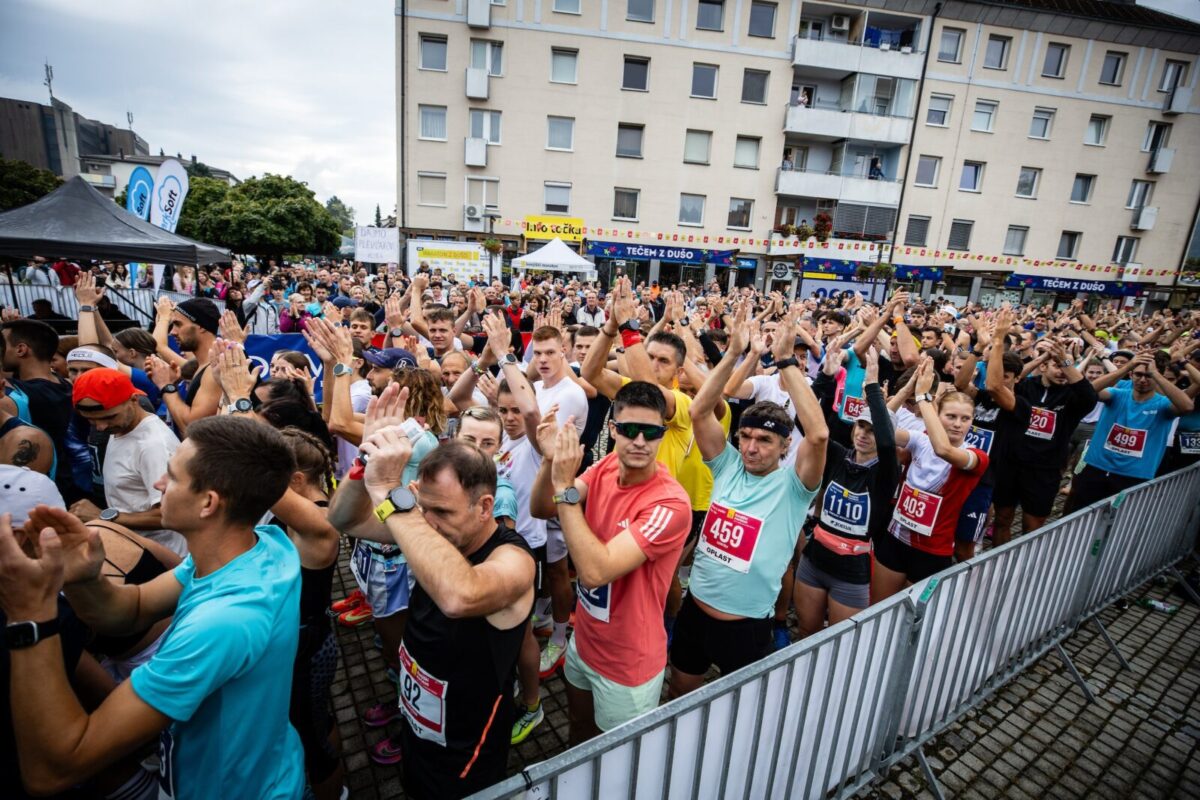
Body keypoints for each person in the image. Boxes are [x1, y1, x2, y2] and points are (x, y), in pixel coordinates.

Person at [0, 416, 305, 799]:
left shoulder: (222, 622)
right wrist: (81, 578)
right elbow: (130, 609)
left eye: (172, 477)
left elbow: (55, 768)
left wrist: (29, 613)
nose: (160, 484)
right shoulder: (258, 544)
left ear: (208, 503)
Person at [359, 419, 535, 799]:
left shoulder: (515, 558)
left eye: (443, 512)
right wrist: (365, 468)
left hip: (466, 750)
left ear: (485, 506)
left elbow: (460, 596)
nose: (430, 524)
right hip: (417, 726)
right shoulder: (425, 524)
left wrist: (393, 497)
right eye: (424, 508)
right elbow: (343, 520)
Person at [669, 306, 827, 696]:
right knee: (678, 695)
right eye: (746, 437)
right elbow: (700, 409)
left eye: (765, 440)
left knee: (736, 715)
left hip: (746, 627)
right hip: (694, 613)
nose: (752, 448)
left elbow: (820, 434)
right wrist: (733, 353)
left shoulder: (795, 486)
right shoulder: (726, 466)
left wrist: (787, 361)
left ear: (785, 445)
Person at [531, 381, 691, 743]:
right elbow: (542, 508)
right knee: (577, 729)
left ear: (662, 435)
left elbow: (593, 572)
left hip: (627, 664)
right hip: (585, 642)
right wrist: (550, 461)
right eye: (629, 430)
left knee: (617, 761)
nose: (639, 441)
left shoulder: (670, 504)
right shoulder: (604, 467)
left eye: (650, 433)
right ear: (612, 429)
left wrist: (563, 488)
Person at [795, 346, 898, 634]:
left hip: (852, 572)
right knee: (806, 631)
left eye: (873, 430)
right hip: (814, 560)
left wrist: (874, 386)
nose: (864, 435)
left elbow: (889, 446)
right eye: (860, 428)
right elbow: (806, 424)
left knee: (836, 642)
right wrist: (826, 378)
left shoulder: (886, 471)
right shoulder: (839, 456)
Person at [872, 358, 989, 600]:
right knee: (877, 610)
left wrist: (924, 398)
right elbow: (880, 430)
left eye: (965, 419)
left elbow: (943, 450)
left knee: (914, 622)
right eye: (951, 416)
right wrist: (906, 391)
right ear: (939, 414)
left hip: (932, 550)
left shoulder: (976, 456)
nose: (957, 424)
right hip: (895, 538)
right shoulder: (919, 438)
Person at [69, 368, 185, 556]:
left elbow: (172, 514)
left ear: (133, 400)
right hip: (134, 549)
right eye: (91, 421)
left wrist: (103, 516)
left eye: (109, 417)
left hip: (162, 557)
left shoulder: (152, 446)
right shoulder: (121, 428)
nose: (101, 427)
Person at [991, 336, 1097, 542]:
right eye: (1055, 365)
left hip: (1044, 470)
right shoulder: (1025, 387)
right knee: (1002, 519)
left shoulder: (1072, 396)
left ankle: (1025, 568)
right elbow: (1009, 379)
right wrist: (1042, 358)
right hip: (1010, 465)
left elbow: (1089, 397)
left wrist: (1066, 362)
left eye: (1064, 366)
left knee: (1032, 528)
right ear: (1044, 366)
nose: (1061, 371)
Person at [1064, 351, 1193, 511]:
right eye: (1138, 374)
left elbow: (1187, 406)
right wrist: (1126, 367)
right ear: (1131, 375)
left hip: (1133, 475)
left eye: (1148, 376)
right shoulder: (1117, 395)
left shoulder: (1164, 405)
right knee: (1077, 514)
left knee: (1118, 524)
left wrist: (1156, 374)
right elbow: (1088, 390)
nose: (1143, 380)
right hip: (1095, 467)